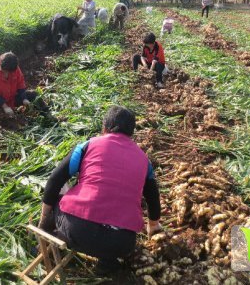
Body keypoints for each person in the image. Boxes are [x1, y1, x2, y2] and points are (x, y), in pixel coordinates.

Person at [39, 106, 161, 274]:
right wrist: (153, 225)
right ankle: (108, 262)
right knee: (111, 222)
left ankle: (54, 236)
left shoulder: (87, 146)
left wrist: (45, 217)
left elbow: (54, 181)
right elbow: (153, 197)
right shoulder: (143, 160)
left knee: (63, 191)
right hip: (122, 243)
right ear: (131, 133)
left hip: (79, 231)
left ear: (104, 127)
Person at [0, 52, 48, 132]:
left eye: (9, 72)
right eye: (5, 71)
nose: (6, 73)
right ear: (0, 63)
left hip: (11, 97)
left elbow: (21, 85)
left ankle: (47, 113)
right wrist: (5, 106)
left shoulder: (15, 69)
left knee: (33, 94)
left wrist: (24, 98)